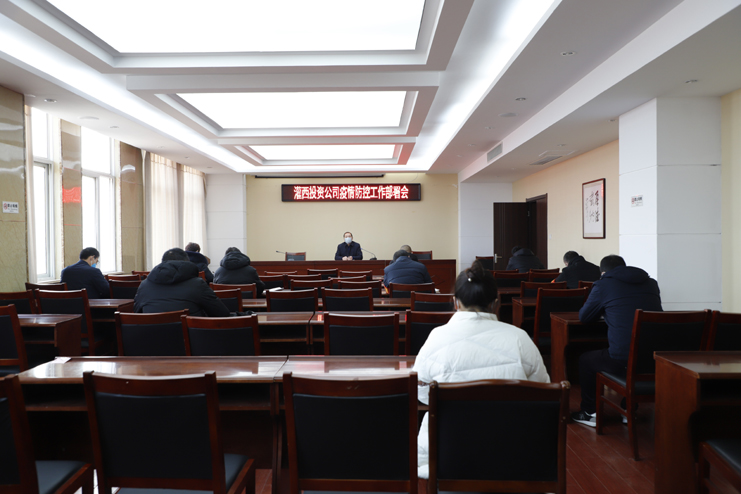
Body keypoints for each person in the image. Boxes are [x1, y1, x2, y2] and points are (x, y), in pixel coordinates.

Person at [413, 260, 549, 478]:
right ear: (495, 303)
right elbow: (542, 391)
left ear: (455, 302)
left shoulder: (436, 337)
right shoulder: (519, 338)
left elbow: (422, 394)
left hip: (450, 452)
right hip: (512, 451)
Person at [571, 254, 662, 428]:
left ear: (603, 273)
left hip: (622, 359)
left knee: (585, 360)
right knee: (633, 348)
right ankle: (629, 409)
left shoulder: (603, 285)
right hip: (654, 357)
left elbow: (585, 317)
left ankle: (590, 413)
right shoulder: (651, 283)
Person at [134, 248, 230, 317]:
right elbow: (222, 313)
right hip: (191, 337)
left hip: (150, 337)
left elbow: (137, 313)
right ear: (187, 262)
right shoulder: (197, 284)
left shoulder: (144, 285)